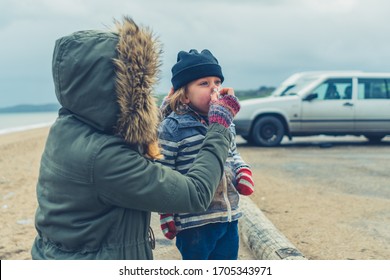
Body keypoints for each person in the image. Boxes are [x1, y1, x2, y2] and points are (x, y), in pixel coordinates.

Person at [31, 17, 240, 260]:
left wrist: (160, 115)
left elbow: (126, 138)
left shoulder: (69, 126)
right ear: (112, 89)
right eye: (138, 89)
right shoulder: (104, 158)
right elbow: (195, 194)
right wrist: (220, 125)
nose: (143, 96)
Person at [158, 49, 254, 260]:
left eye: (217, 82)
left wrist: (242, 169)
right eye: (204, 83)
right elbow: (165, 173)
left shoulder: (225, 121)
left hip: (228, 216)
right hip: (194, 224)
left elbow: (232, 154)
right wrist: (166, 212)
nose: (214, 89)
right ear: (183, 95)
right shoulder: (172, 127)